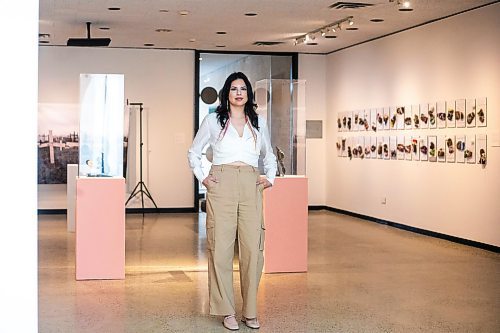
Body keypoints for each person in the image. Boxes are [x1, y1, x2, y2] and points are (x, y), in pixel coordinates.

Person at [188, 72, 277, 330]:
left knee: (253, 249)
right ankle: (226, 310)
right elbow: (193, 152)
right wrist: (204, 177)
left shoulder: (258, 122)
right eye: (234, 88)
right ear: (227, 93)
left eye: (243, 89)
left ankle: (250, 311)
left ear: (248, 94)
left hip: (250, 183)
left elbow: (268, 154)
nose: (239, 93)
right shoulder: (213, 121)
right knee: (221, 248)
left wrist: (270, 177)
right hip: (222, 182)